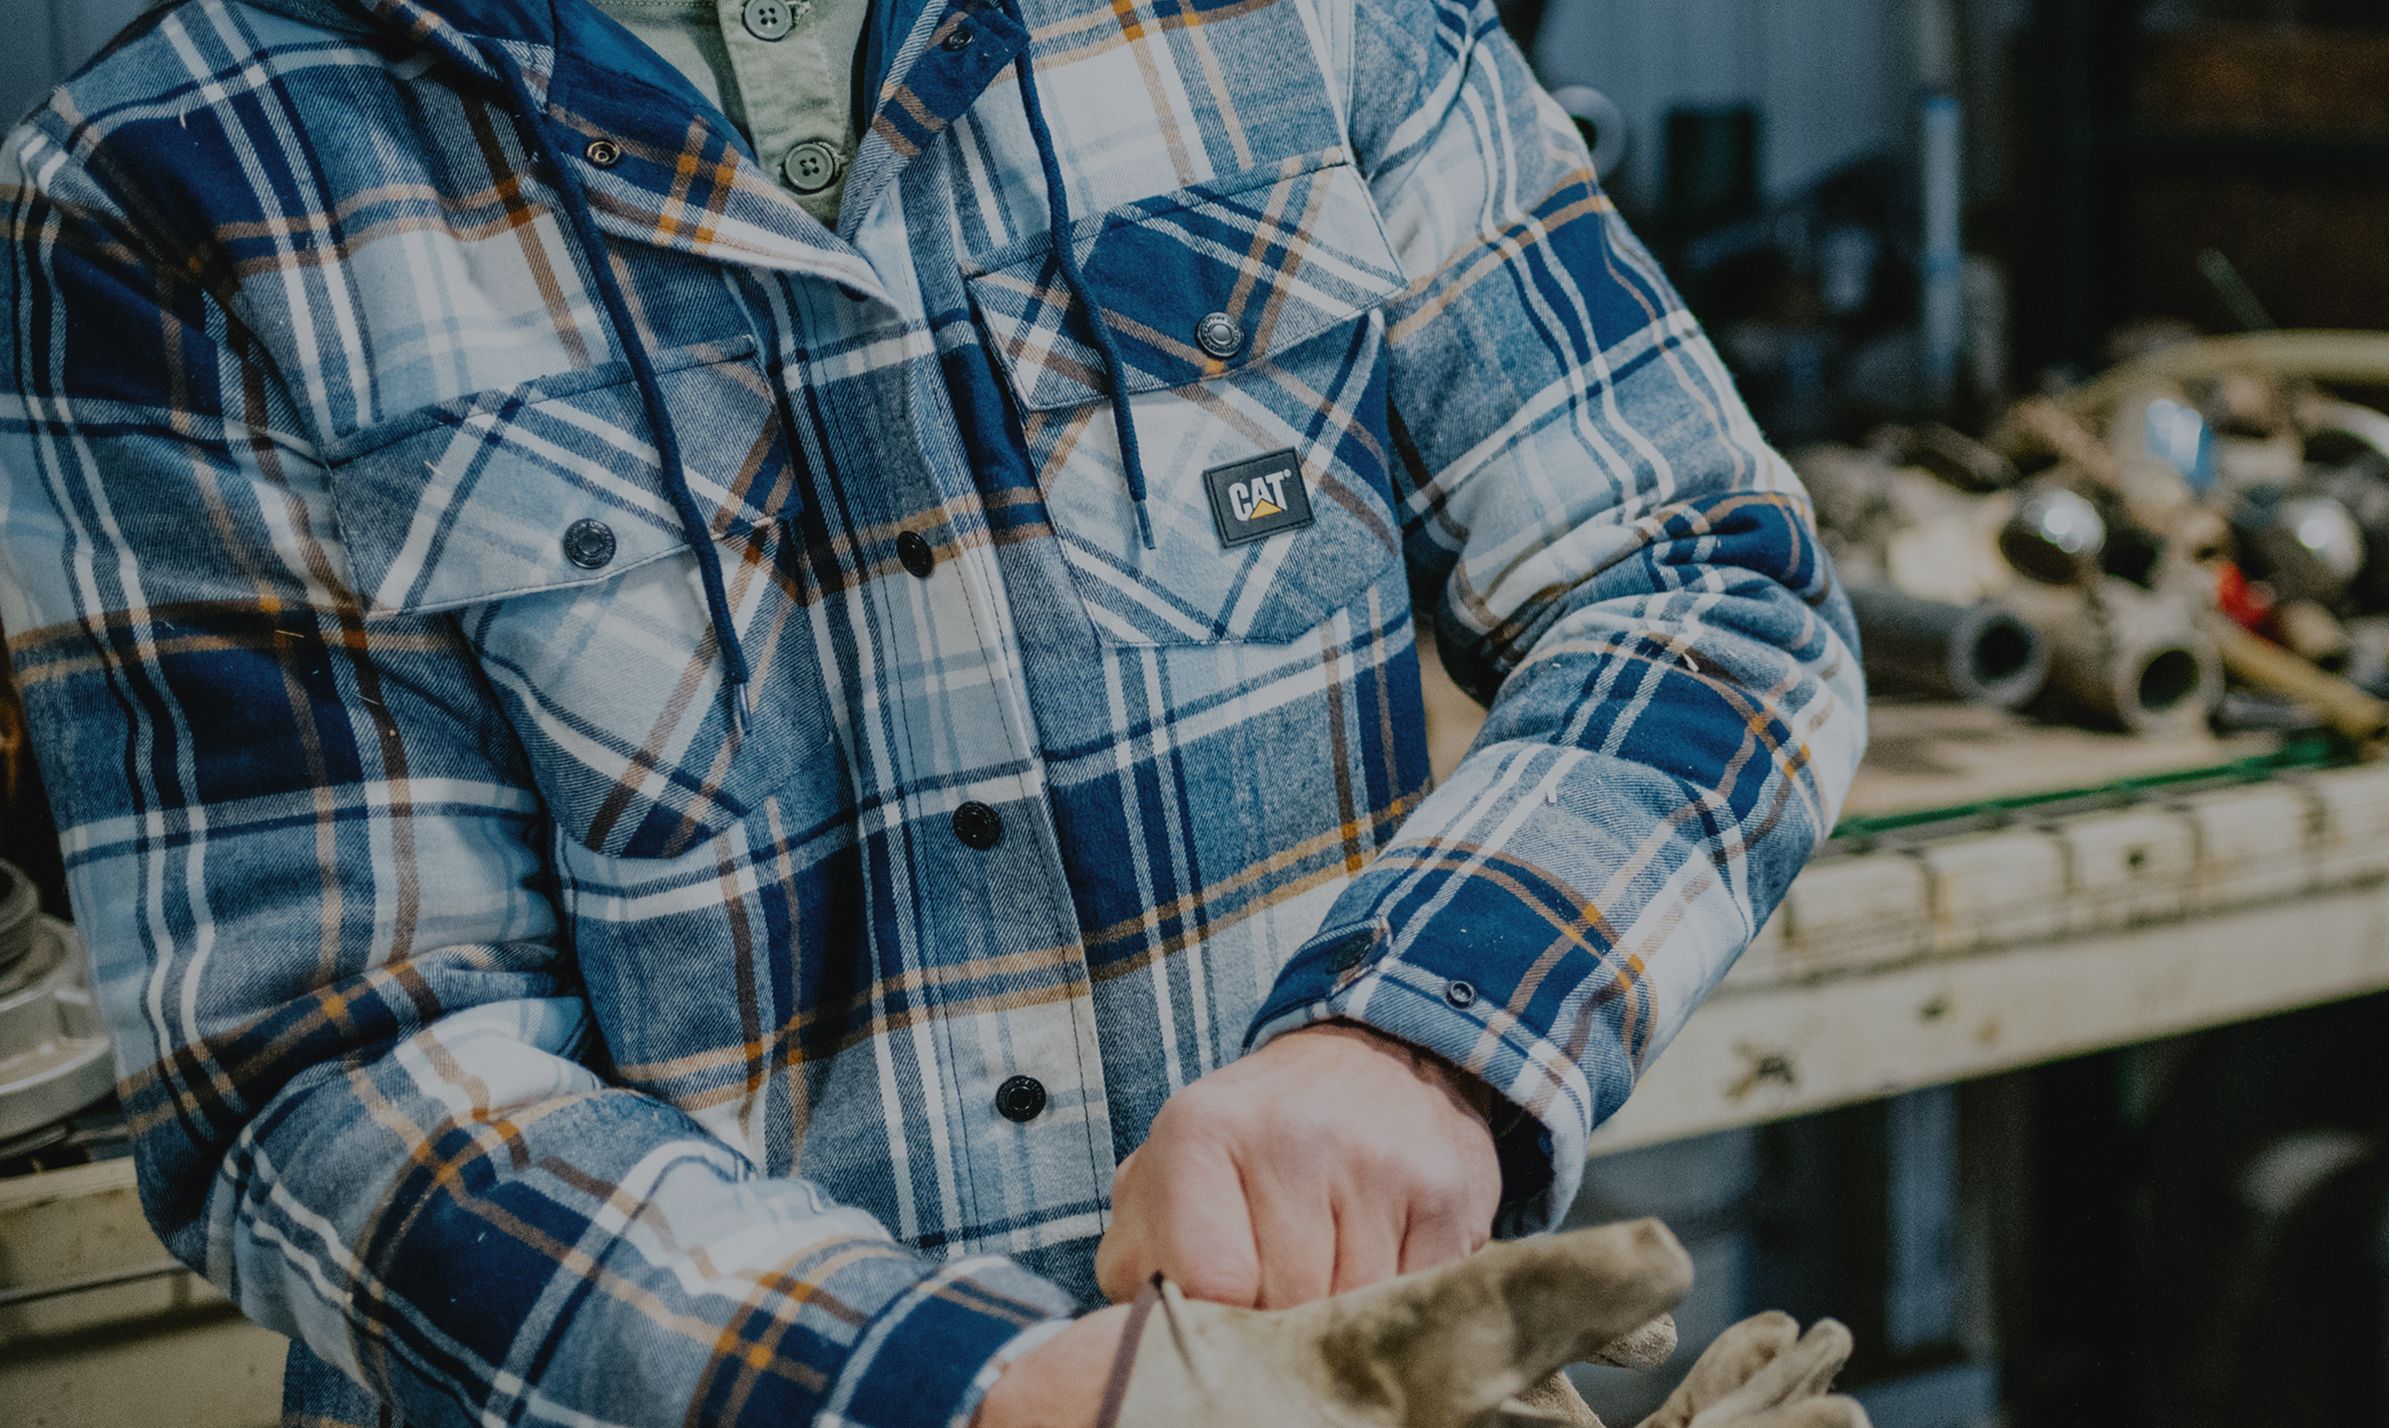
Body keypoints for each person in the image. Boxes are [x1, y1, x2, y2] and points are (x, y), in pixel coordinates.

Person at [0, 0, 1863, 1420]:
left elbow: (1698, 578)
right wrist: (995, 1398)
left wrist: (1418, 1045)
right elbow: (328, 1071)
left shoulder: (1307, 21)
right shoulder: (174, 178)